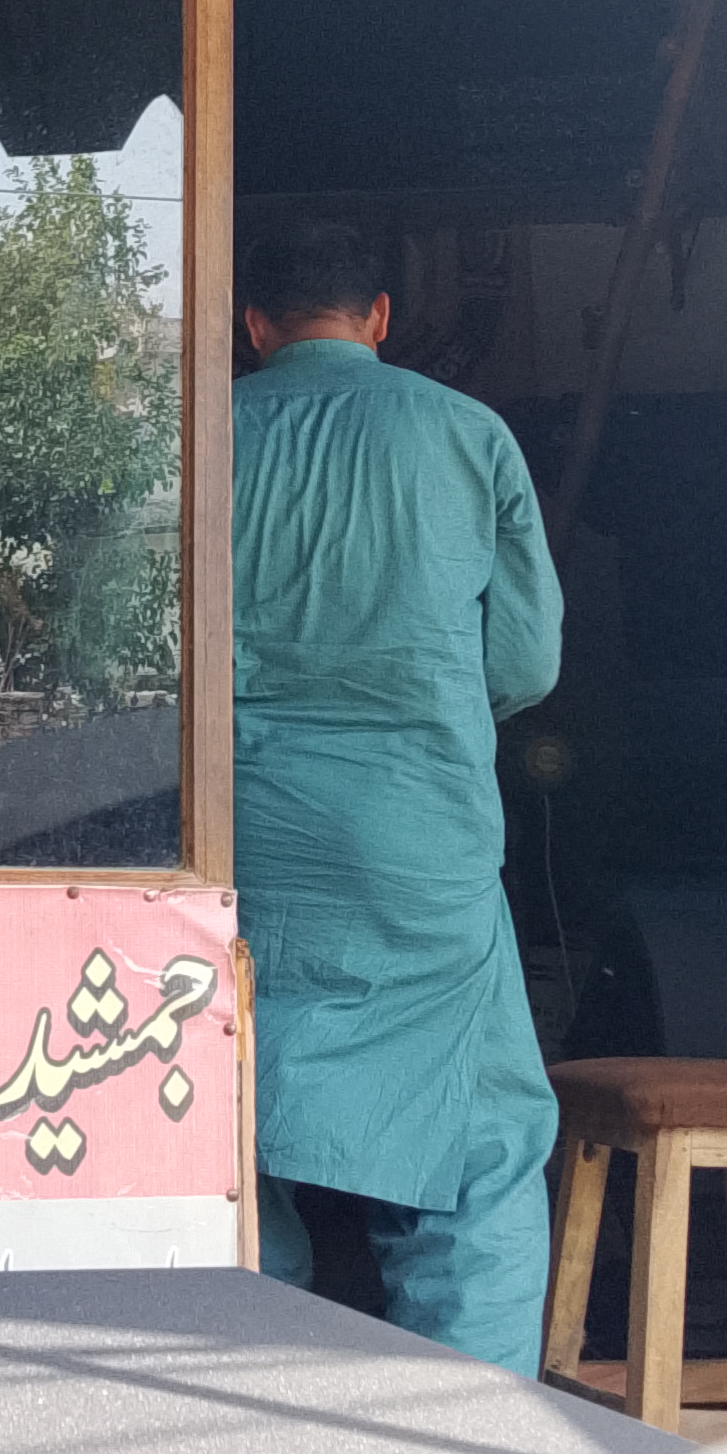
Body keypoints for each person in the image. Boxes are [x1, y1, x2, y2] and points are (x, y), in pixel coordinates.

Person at [233, 220, 564, 1376]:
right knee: (476, 1152)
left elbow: (119, 650)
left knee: (226, 1129)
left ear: (254, 327)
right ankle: (464, 1431)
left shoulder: (198, 439)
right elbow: (526, 662)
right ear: (379, 317)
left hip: (238, 837)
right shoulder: (467, 434)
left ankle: (241, 1403)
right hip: (418, 839)